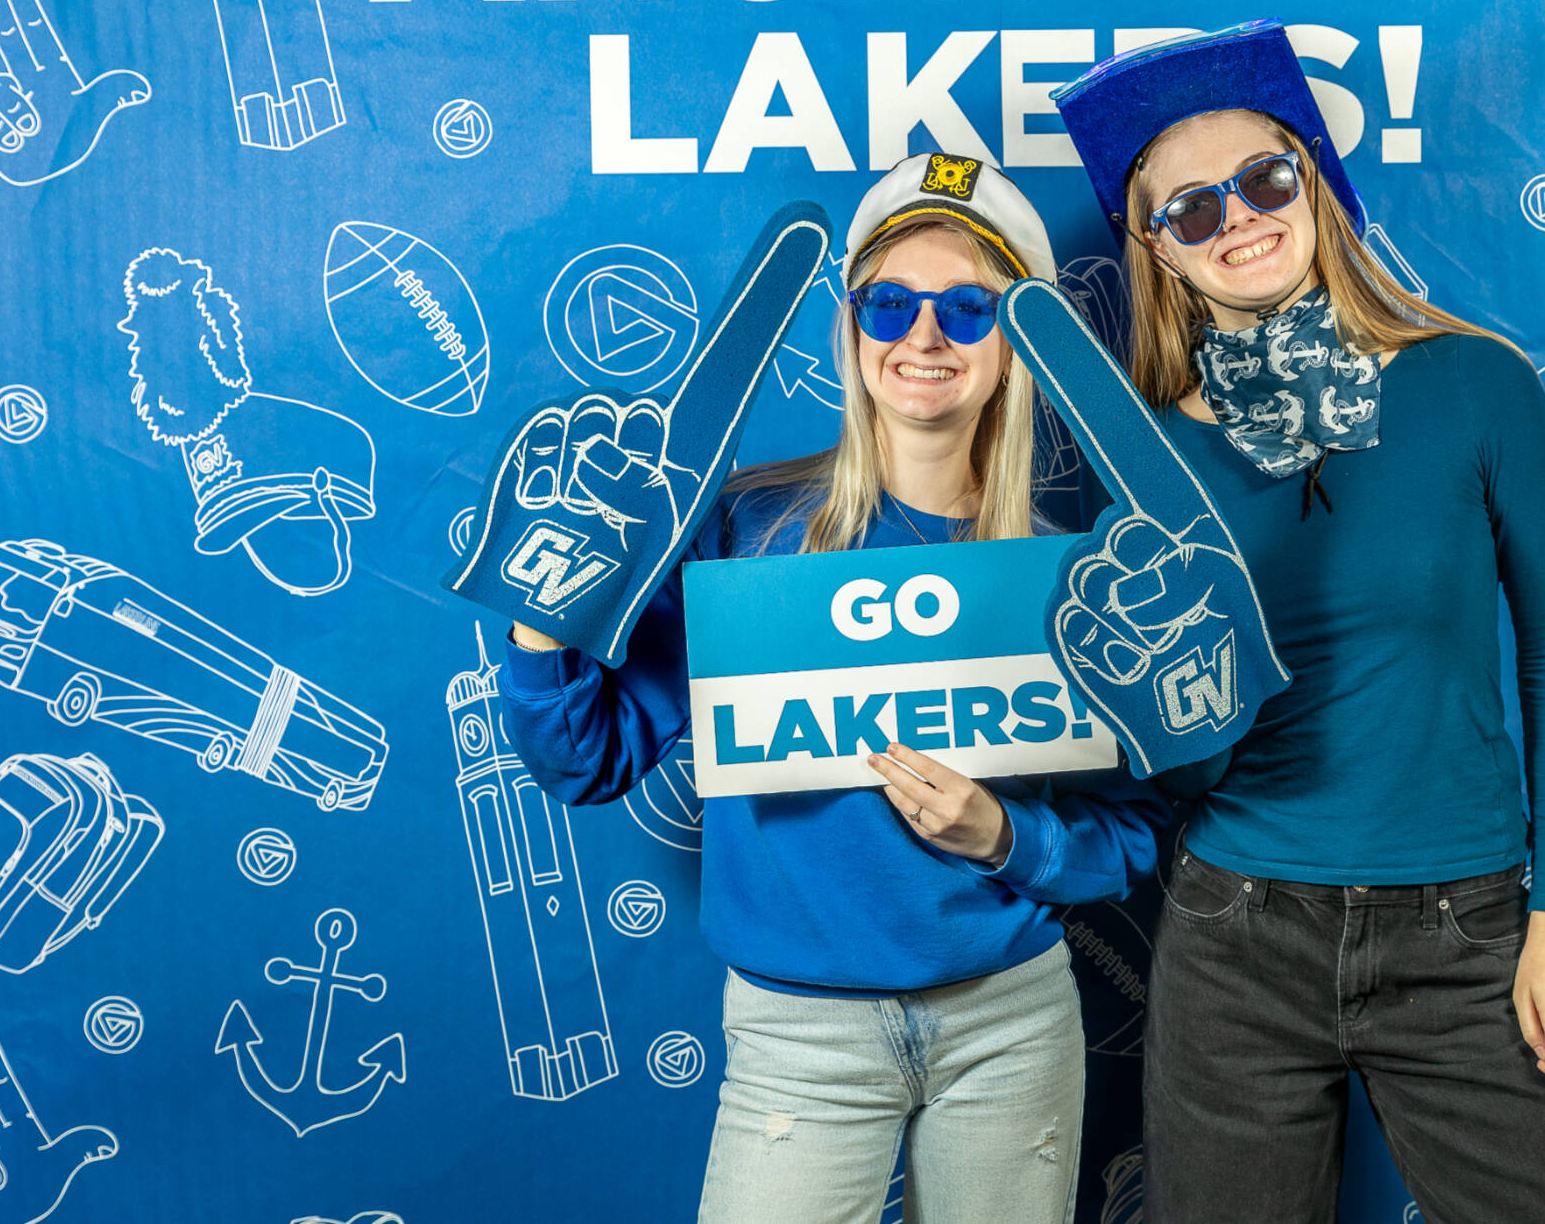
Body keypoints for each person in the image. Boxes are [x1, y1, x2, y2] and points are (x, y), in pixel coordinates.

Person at [492, 154, 1170, 1224]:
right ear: (852, 334)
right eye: (888, 303)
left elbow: (1132, 835)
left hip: (1008, 1019)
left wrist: (1003, 833)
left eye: (966, 307)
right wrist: (544, 610)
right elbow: (585, 754)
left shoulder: (1069, 577)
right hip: (796, 1033)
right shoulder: (747, 534)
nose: (923, 336)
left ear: (1014, 348)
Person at [1051, 23, 1545, 1222]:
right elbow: (1192, 764)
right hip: (1235, 934)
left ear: (1311, 183)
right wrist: (1176, 707)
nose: (1239, 220)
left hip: (1466, 925)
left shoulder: (1475, 383)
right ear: (1156, 252)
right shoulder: (1149, 456)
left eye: (1263, 180)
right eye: (1191, 210)